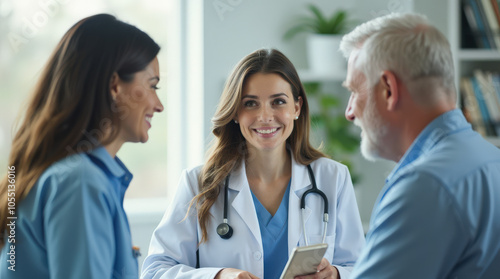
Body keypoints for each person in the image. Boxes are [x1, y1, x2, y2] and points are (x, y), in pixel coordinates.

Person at [141, 48, 364, 279]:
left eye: (278, 102)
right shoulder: (197, 183)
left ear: (296, 108)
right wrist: (219, 276)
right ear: (235, 112)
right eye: (250, 103)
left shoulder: (332, 178)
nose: (265, 116)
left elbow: (363, 267)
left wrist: (336, 274)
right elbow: (154, 271)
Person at [0, 14, 164, 278]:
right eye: (152, 86)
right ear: (114, 86)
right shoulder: (79, 182)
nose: (159, 105)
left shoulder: (67, 174)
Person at [339, 12, 500, 279]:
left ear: (388, 89)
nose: (350, 112)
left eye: (355, 91)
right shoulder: (490, 159)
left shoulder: (426, 185)